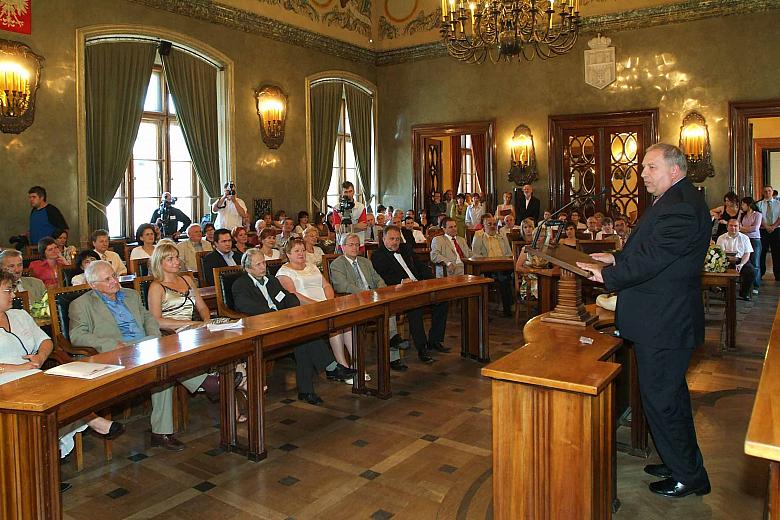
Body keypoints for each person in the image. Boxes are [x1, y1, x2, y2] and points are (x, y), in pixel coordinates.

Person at [577, 143, 712, 498]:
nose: (643, 174)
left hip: (664, 321)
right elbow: (653, 250)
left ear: (674, 169)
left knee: (663, 399)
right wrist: (616, 255)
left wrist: (608, 275)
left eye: (651, 167)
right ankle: (678, 461)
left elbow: (654, 260)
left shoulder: (680, 207)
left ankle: (689, 476)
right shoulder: (678, 199)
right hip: (662, 318)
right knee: (669, 398)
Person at [0, 271, 124, 467]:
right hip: (5, 379)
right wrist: (18, 367)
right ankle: (91, 420)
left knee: (62, 387)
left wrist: (40, 357)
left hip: (33, 372)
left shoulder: (19, 315)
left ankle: (46, 457)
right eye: (8, 290)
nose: (13, 295)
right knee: (46, 393)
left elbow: (46, 341)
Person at [69, 260, 185, 451]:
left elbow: (148, 318)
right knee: (167, 364)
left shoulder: (131, 294)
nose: (114, 281)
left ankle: (161, 432)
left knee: (163, 369)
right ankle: (205, 381)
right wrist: (112, 345)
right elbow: (77, 336)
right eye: (107, 279)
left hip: (146, 346)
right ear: (93, 285)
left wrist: (154, 337)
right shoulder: (81, 304)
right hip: (116, 353)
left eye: (114, 275)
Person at [232, 249, 351, 404]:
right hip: (263, 328)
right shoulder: (240, 285)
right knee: (304, 337)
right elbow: (246, 306)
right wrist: (275, 315)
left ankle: (308, 389)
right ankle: (330, 368)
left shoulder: (271, 280)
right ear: (247, 268)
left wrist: (292, 306)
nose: (263, 267)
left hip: (283, 323)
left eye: (264, 262)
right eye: (258, 264)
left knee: (303, 339)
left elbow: (286, 297)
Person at [146, 244, 225, 412]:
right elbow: (156, 321)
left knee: (228, 335)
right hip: (173, 331)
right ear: (160, 263)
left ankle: (232, 380)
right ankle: (220, 382)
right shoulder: (156, 287)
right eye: (171, 259)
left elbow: (202, 307)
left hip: (195, 328)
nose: (177, 262)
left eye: (177, 257)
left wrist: (206, 322)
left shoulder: (187, 279)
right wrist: (192, 325)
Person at [276, 239, 357, 380]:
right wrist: (317, 305)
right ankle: (341, 364)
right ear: (288, 254)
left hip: (324, 304)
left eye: (302, 250)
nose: (301, 253)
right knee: (335, 325)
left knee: (347, 323)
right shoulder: (284, 272)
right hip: (305, 309)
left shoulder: (311, 266)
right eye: (296, 251)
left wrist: (329, 302)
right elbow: (293, 295)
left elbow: (326, 285)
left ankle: (356, 364)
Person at [329, 233, 410, 371]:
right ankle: (393, 342)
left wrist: (384, 291)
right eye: (351, 245)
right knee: (386, 310)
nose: (355, 247)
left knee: (387, 307)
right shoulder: (337, 264)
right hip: (355, 301)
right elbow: (343, 286)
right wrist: (365, 294)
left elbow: (377, 279)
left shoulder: (365, 261)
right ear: (343, 247)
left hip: (374, 298)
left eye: (356, 244)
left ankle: (394, 353)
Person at [372, 225, 449, 363]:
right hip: (399, 292)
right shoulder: (378, 255)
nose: (395, 242)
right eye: (391, 239)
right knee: (415, 309)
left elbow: (420, 266)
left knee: (443, 300)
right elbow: (384, 277)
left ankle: (435, 340)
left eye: (397, 239)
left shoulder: (406, 249)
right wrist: (401, 281)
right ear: (384, 239)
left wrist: (432, 281)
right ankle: (422, 348)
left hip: (419, 286)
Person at [471, 214, 514, 316]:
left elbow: (509, 253)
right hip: (487, 268)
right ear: (484, 226)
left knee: (505, 276)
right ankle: (508, 308)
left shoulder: (502, 237)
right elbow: (475, 254)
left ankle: (508, 307)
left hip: (503, 265)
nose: (492, 226)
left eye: (494, 224)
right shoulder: (479, 237)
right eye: (489, 224)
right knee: (504, 278)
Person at [716, 219, 756, 300]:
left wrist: (741, 264)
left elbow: (747, 253)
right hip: (726, 260)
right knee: (721, 271)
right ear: (727, 227)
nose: (733, 228)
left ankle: (744, 293)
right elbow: (720, 253)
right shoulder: (721, 238)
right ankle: (726, 292)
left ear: (739, 227)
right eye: (731, 225)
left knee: (751, 271)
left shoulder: (745, 238)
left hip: (741, 260)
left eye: (735, 226)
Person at [331, 181, 368, 247]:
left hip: (359, 244)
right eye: (346, 192)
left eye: (350, 191)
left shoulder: (361, 207)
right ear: (342, 193)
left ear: (353, 191)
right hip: (342, 244)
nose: (348, 194)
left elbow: (363, 227)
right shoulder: (336, 208)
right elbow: (337, 229)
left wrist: (345, 228)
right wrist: (356, 226)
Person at [738, 196, 762, 293]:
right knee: (745, 261)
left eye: (743, 204)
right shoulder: (743, 214)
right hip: (744, 239)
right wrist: (740, 215)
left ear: (749, 205)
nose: (742, 206)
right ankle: (746, 284)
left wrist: (743, 229)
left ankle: (755, 285)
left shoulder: (758, 214)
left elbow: (755, 228)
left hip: (755, 239)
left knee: (755, 262)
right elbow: (738, 225)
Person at [757, 185, 780, 281]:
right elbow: (759, 217)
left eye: (769, 191)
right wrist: (766, 226)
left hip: (776, 229)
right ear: (763, 193)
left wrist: (773, 226)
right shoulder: (759, 204)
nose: (767, 193)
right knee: (762, 252)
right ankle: (761, 274)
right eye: (765, 191)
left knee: (777, 253)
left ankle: (778, 275)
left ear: (772, 192)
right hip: (763, 230)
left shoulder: (778, 204)